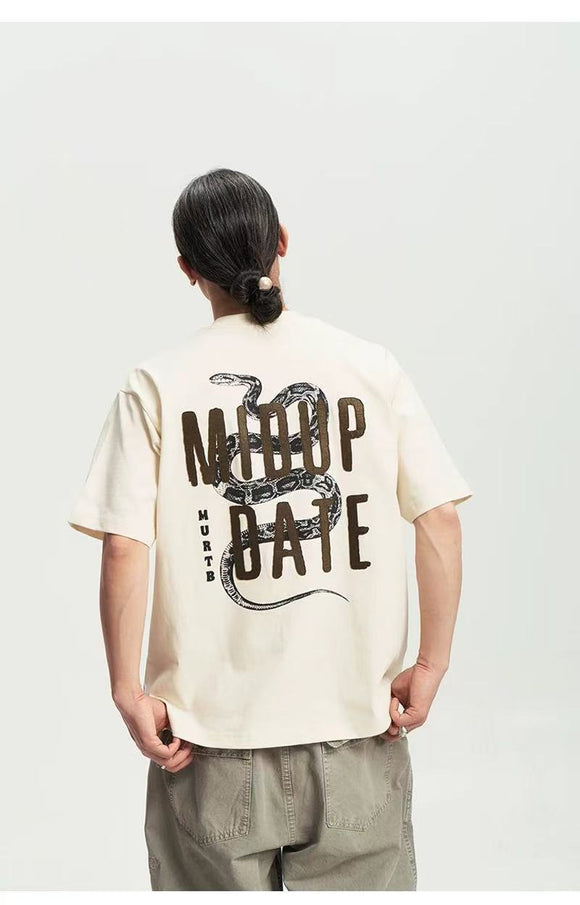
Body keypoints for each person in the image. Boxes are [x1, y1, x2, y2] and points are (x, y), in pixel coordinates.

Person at [68, 167, 473, 891]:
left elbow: (125, 546)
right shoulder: (370, 368)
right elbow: (439, 516)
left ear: (188, 270)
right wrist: (432, 662)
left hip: (208, 746)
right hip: (357, 732)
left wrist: (126, 688)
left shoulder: (156, 385)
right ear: (282, 240)